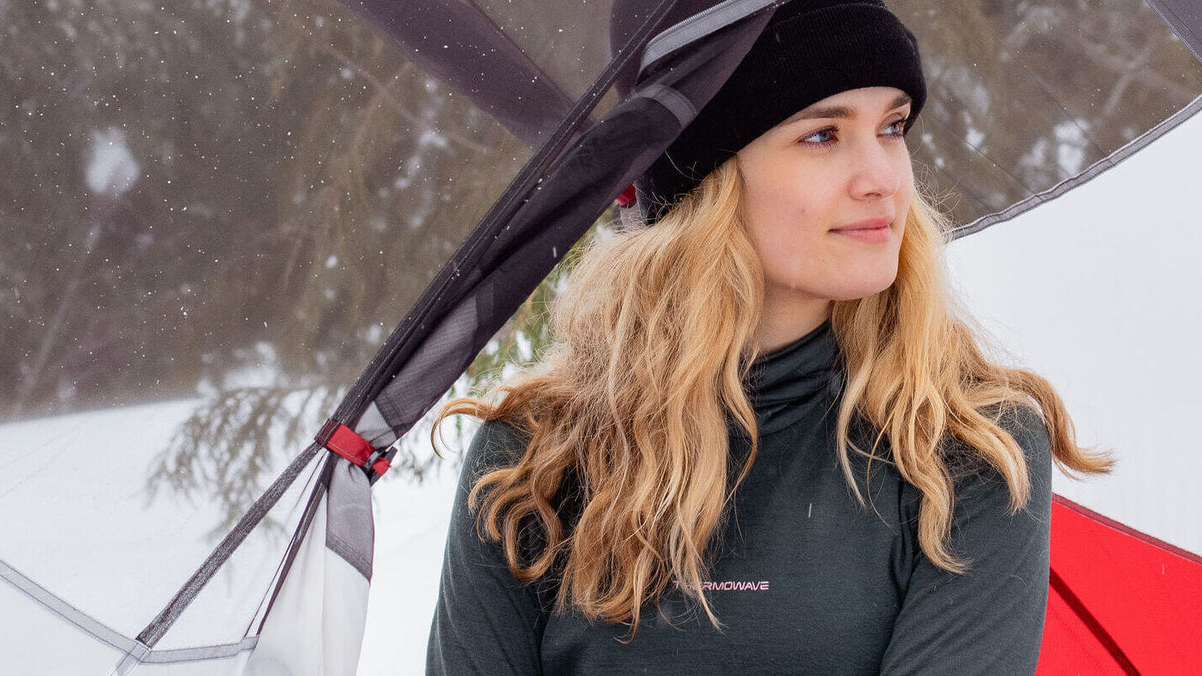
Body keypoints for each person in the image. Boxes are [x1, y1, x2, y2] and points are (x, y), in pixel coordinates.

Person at [427, 1, 1110, 673]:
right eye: (822, 135)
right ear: (707, 177)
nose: (882, 181)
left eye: (892, 127)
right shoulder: (536, 459)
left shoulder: (962, 450)